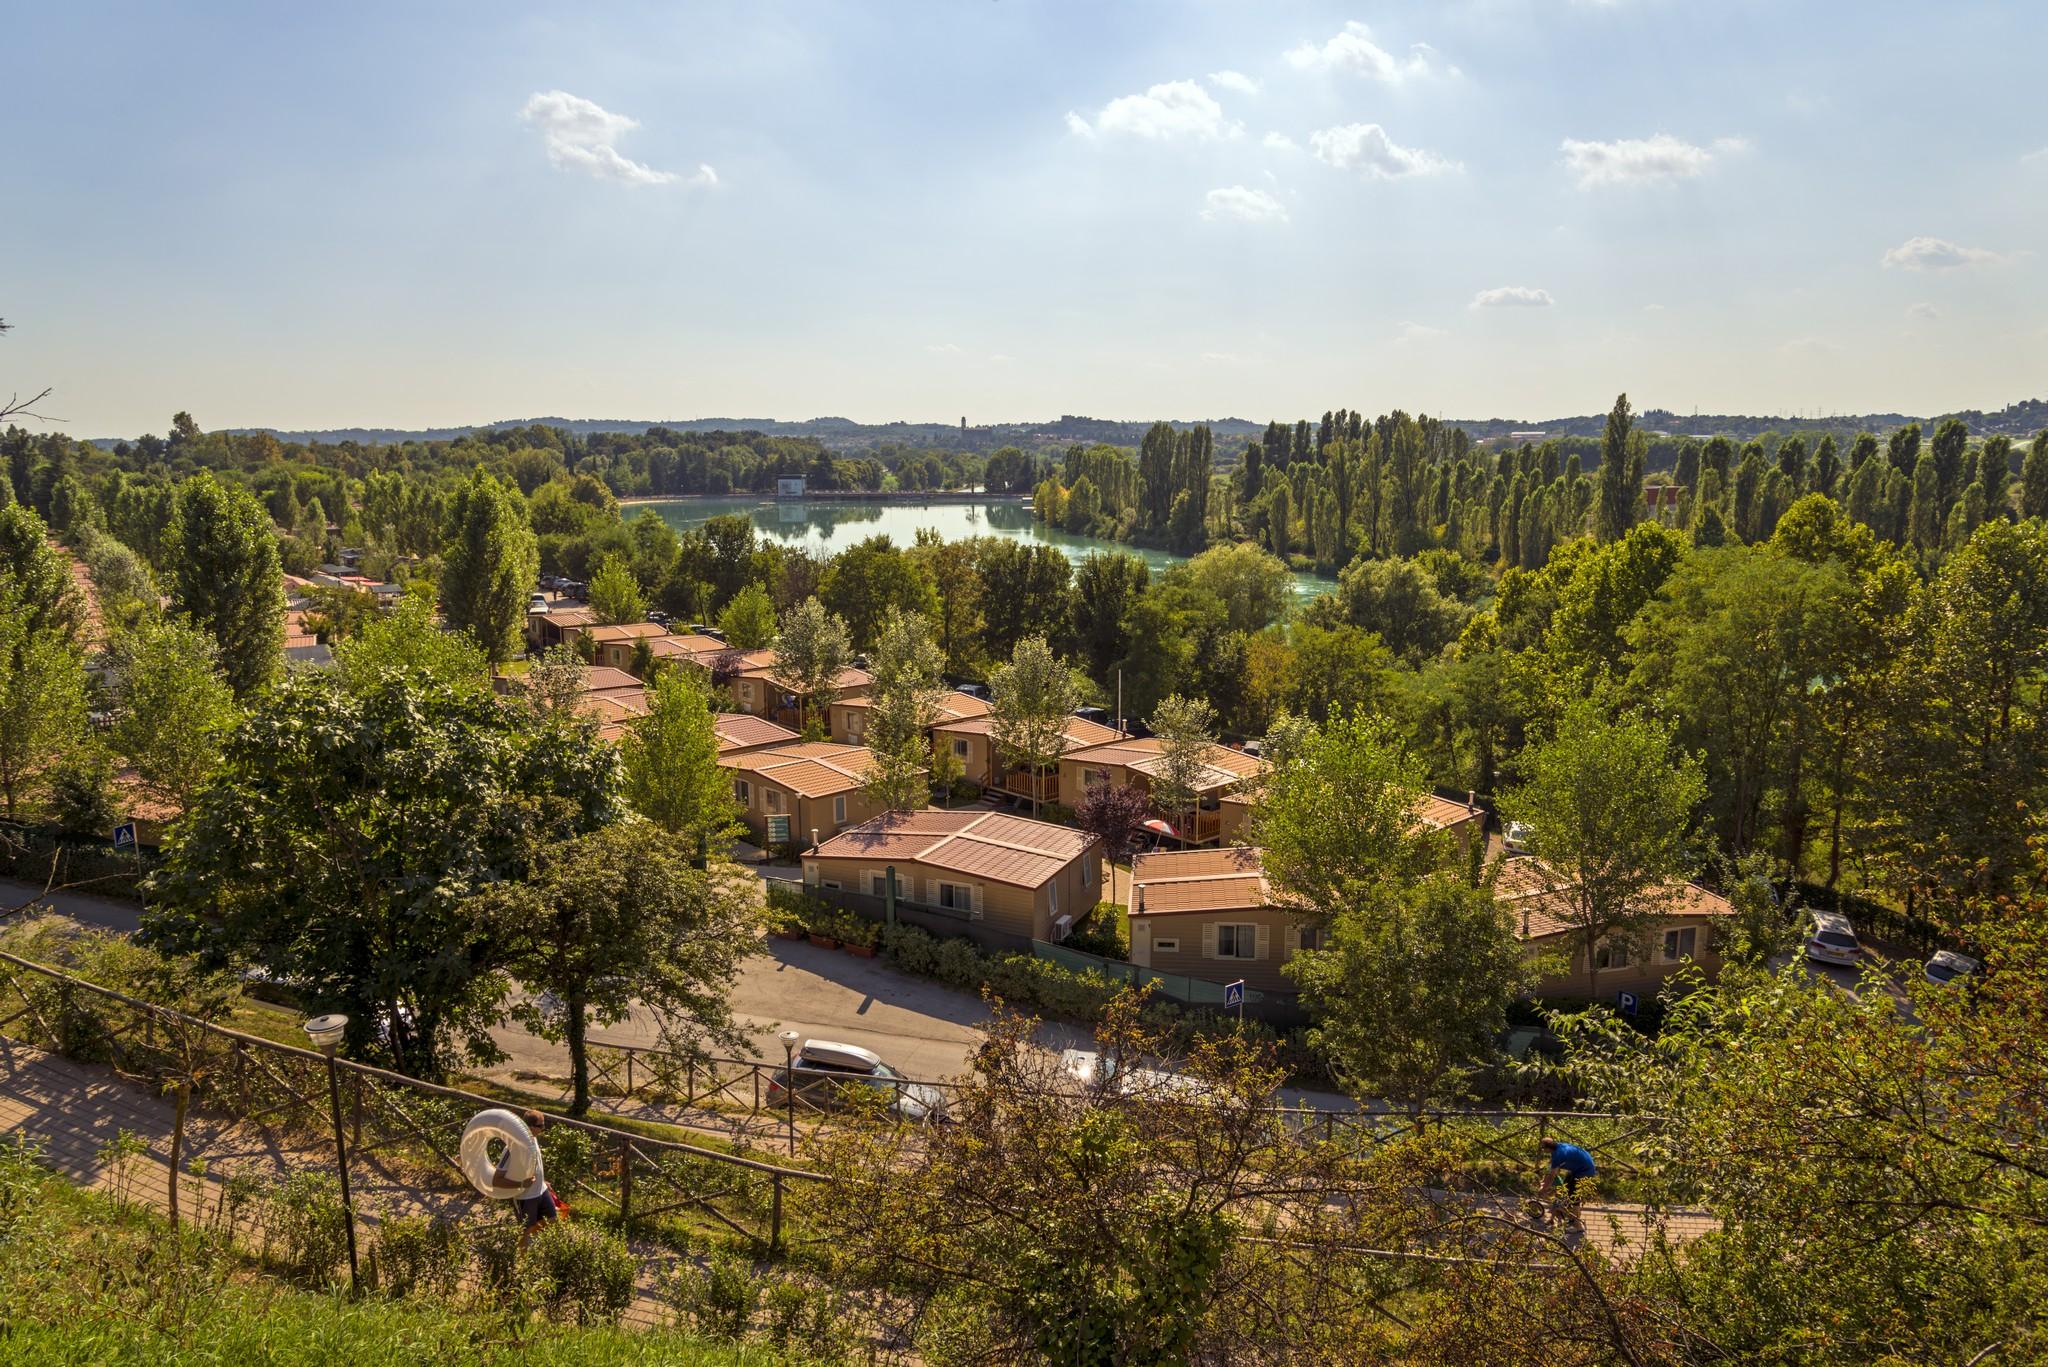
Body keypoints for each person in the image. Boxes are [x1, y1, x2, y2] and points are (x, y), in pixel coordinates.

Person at [489, 1108, 559, 1247]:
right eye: (540, 1126)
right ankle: (523, 1262)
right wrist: (521, 1183)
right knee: (526, 1233)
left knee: (553, 1220)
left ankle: (540, 1252)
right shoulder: (511, 1149)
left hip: (541, 1191)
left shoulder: (533, 1138)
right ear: (529, 1127)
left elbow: (533, 1165)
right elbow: (496, 1181)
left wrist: (542, 1181)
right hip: (526, 1198)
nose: (543, 1129)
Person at [1537, 1137, 1597, 1213]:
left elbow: (1552, 1176)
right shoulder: (1558, 1146)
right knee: (1565, 1187)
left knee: (1574, 1195)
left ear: (1548, 1148)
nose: (1542, 1149)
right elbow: (1550, 1167)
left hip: (1585, 1171)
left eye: (1542, 1147)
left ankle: (1575, 1221)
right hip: (1580, 1167)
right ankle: (1563, 1208)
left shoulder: (1558, 1155)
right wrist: (1544, 1180)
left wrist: (1543, 1189)